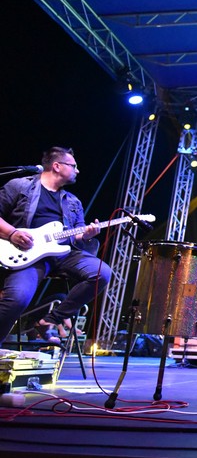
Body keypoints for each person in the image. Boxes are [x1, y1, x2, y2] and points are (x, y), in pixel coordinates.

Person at [0, 147, 112, 346]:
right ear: (57, 166)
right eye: (73, 166)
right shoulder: (19, 186)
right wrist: (12, 233)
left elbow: (77, 233)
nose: (78, 170)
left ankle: (49, 320)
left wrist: (86, 234)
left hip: (64, 254)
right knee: (17, 298)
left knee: (102, 273)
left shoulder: (73, 202)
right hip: (28, 253)